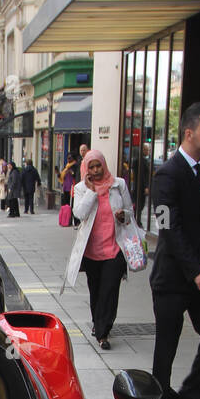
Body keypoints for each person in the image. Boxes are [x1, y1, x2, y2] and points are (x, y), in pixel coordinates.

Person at [148, 101, 200, 399]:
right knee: (167, 344)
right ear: (189, 132)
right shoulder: (167, 174)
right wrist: (196, 269)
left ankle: (191, 395)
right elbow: (169, 227)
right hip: (172, 278)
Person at [64, 150, 133, 349]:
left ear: (104, 164)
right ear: (86, 168)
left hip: (115, 247)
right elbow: (79, 214)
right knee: (96, 291)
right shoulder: (80, 188)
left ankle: (103, 332)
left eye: (98, 166)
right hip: (92, 250)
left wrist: (124, 216)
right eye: (91, 167)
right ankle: (98, 323)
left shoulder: (118, 184)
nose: (95, 170)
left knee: (109, 291)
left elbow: (130, 213)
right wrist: (92, 190)